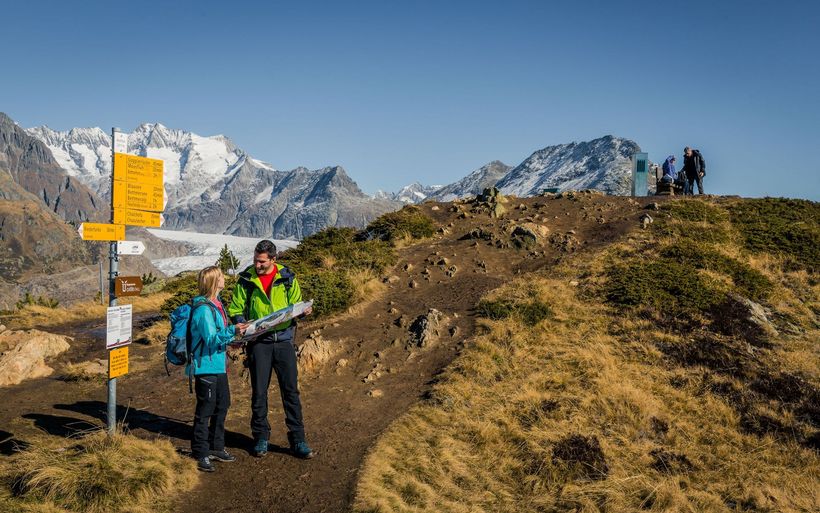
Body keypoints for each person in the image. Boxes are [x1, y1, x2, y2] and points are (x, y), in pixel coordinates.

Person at [228, 240, 314, 459]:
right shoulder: (246, 280)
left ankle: (298, 439)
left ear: (274, 260)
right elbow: (236, 308)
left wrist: (303, 311)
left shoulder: (287, 277)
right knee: (259, 393)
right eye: (256, 260)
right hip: (259, 343)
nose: (257, 265)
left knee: (291, 392)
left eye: (262, 262)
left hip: (284, 341)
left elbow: (296, 304)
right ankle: (261, 438)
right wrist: (241, 322)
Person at [188, 266, 247, 472]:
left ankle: (216, 447)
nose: (225, 279)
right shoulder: (204, 310)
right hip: (205, 367)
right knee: (205, 410)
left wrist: (233, 340)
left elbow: (219, 335)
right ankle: (200, 452)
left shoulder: (217, 304)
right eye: (221, 276)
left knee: (223, 405)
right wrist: (232, 330)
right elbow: (211, 339)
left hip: (218, 365)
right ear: (214, 281)